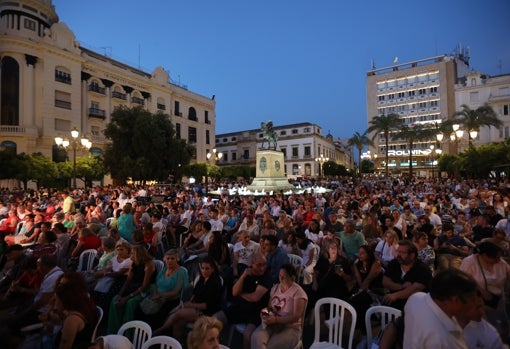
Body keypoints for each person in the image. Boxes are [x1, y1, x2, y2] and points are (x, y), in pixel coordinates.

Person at [404, 269, 480, 349]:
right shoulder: (443, 340)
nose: (475, 303)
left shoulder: (415, 299)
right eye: (472, 300)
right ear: (455, 300)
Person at [153, 257, 223, 339]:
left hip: (206, 312)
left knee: (178, 313)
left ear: (213, 269)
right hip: (196, 307)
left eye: (207, 269)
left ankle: (161, 329)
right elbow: (195, 294)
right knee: (178, 322)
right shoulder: (202, 278)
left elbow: (209, 305)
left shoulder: (215, 284)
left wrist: (191, 305)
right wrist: (190, 302)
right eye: (202, 268)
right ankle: (178, 343)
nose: (204, 271)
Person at [214, 252, 272, 349]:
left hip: (255, 312)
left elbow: (254, 297)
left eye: (264, 264)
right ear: (252, 264)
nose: (262, 268)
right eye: (259, 265)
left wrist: (241, 294)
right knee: (214, 320)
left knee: (247, 335)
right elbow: (234, 292)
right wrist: (243, 276)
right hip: (238, 307)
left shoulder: (267, 277)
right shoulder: (246, 272)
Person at [459, 241, 510, 341]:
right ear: (484, 255)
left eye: (499, 257)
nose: (498, 260)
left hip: (498, 299)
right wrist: (481, 291)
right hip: (477, 301)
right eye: (495, 257)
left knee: (501, 323)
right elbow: (463, 281)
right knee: (485, 327)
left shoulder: (500, 262)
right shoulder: (469, 262)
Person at [251, 264, 308, 349]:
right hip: (273, 324)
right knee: (256, 337)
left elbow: (296, 316)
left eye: (284, 276)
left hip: (290, 327)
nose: (281, 279)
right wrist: (265, 312)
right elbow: (269, 307)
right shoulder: (275, 288)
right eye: (280, 276)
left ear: (291, 277)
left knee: (270, 346)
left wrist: (277, 319)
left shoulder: (298, 292)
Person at [107, 244, 156, 333]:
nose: (131, 256)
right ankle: (114, 330)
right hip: (133, 287)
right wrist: (120, 294)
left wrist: (127, 297)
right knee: (115, 300)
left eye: (133, 254)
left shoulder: (148, 264)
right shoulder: (134, 263)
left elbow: (144, 286)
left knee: (130, 303)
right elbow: (128, 280)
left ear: (139, 254)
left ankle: (128, 333)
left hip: (145, 290)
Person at [138, 249, 188, 328]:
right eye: (168, 258)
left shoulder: (181, 272)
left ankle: (154, 334)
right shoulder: (164, 269)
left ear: (177, 259)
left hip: (171, 299)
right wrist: (155, 294)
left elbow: (176, 292)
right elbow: (157, 284)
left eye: (172, 258)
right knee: (140, 309)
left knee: (154, 315)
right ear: (164, 259)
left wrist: (160, 296)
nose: (170, 261)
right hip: (158, 296)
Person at [381, 240, 432, 310]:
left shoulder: (423, 269)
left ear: (412, 255)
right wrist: (401, 287)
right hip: (393, 302)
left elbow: (415, 289)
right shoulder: (394, 263)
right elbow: (385, 281)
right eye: (398, 251)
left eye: (402, 253)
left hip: (416, 306)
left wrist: (395, 295)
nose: (398, 255)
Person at [52, 281, 98, 349]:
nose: (55, 303)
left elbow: (64, 346)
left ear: (64, 300)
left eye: (56, 299)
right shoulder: (83, 310)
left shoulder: (72, 320)